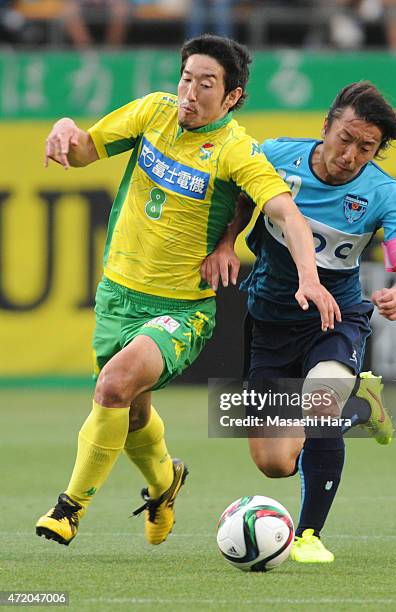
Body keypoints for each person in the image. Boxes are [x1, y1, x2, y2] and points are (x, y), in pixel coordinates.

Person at [35, 34, 340, 547]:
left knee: (112, 385)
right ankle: (164, 484)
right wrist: (66, 128)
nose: (190, 93)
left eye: (206, 84)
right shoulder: (152, 113)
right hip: (117, 296)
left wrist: (309, 276)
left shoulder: (234, 150)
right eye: (186, 78)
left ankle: (69, 508)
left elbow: (285, 211)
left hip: (181, 309)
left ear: (232, 97)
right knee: (131, 411)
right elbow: (84, 150)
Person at [201, 81, 396, 563]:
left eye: (367, 147)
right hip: (269, 321)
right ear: (325, 127)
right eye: (345, 138)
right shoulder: (276, 156)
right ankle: (360, 410)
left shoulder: (385, 194)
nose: (351, 154)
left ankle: (309, 535)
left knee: (320, 402)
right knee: (274, 463)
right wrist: (225, 244)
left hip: (335, 318)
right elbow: (240, 200)